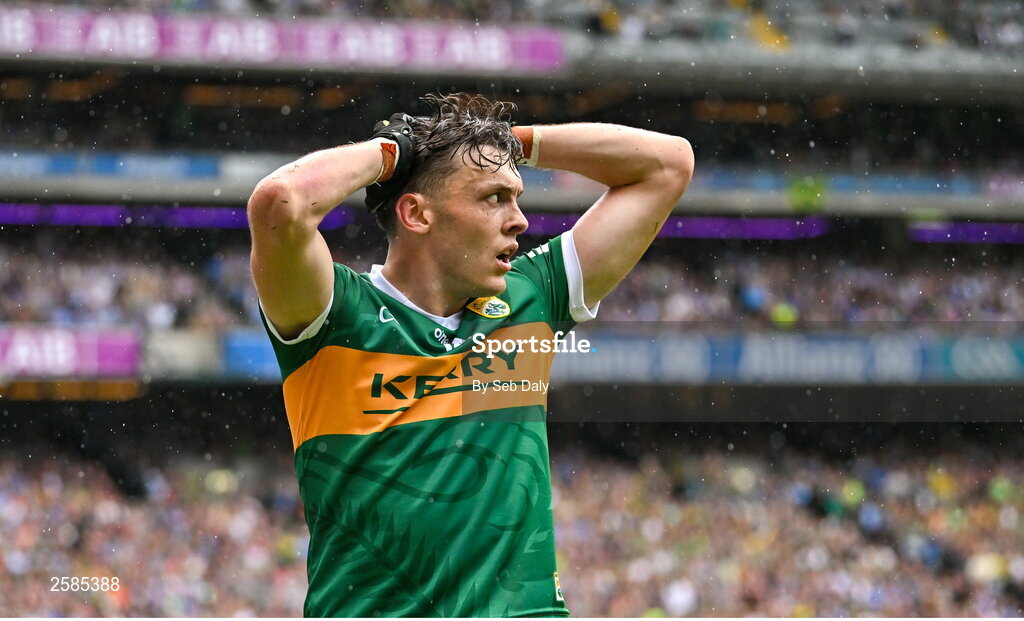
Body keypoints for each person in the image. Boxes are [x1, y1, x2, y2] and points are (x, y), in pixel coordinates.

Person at [247, 93, 693, 616]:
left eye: (517, 196)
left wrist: (505, 144)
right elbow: (280, 202)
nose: (521, 220)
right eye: (493, 198)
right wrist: (394, 152)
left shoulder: (531, 296)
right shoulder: (337, 315)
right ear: (416, 213)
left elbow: (668, 165)